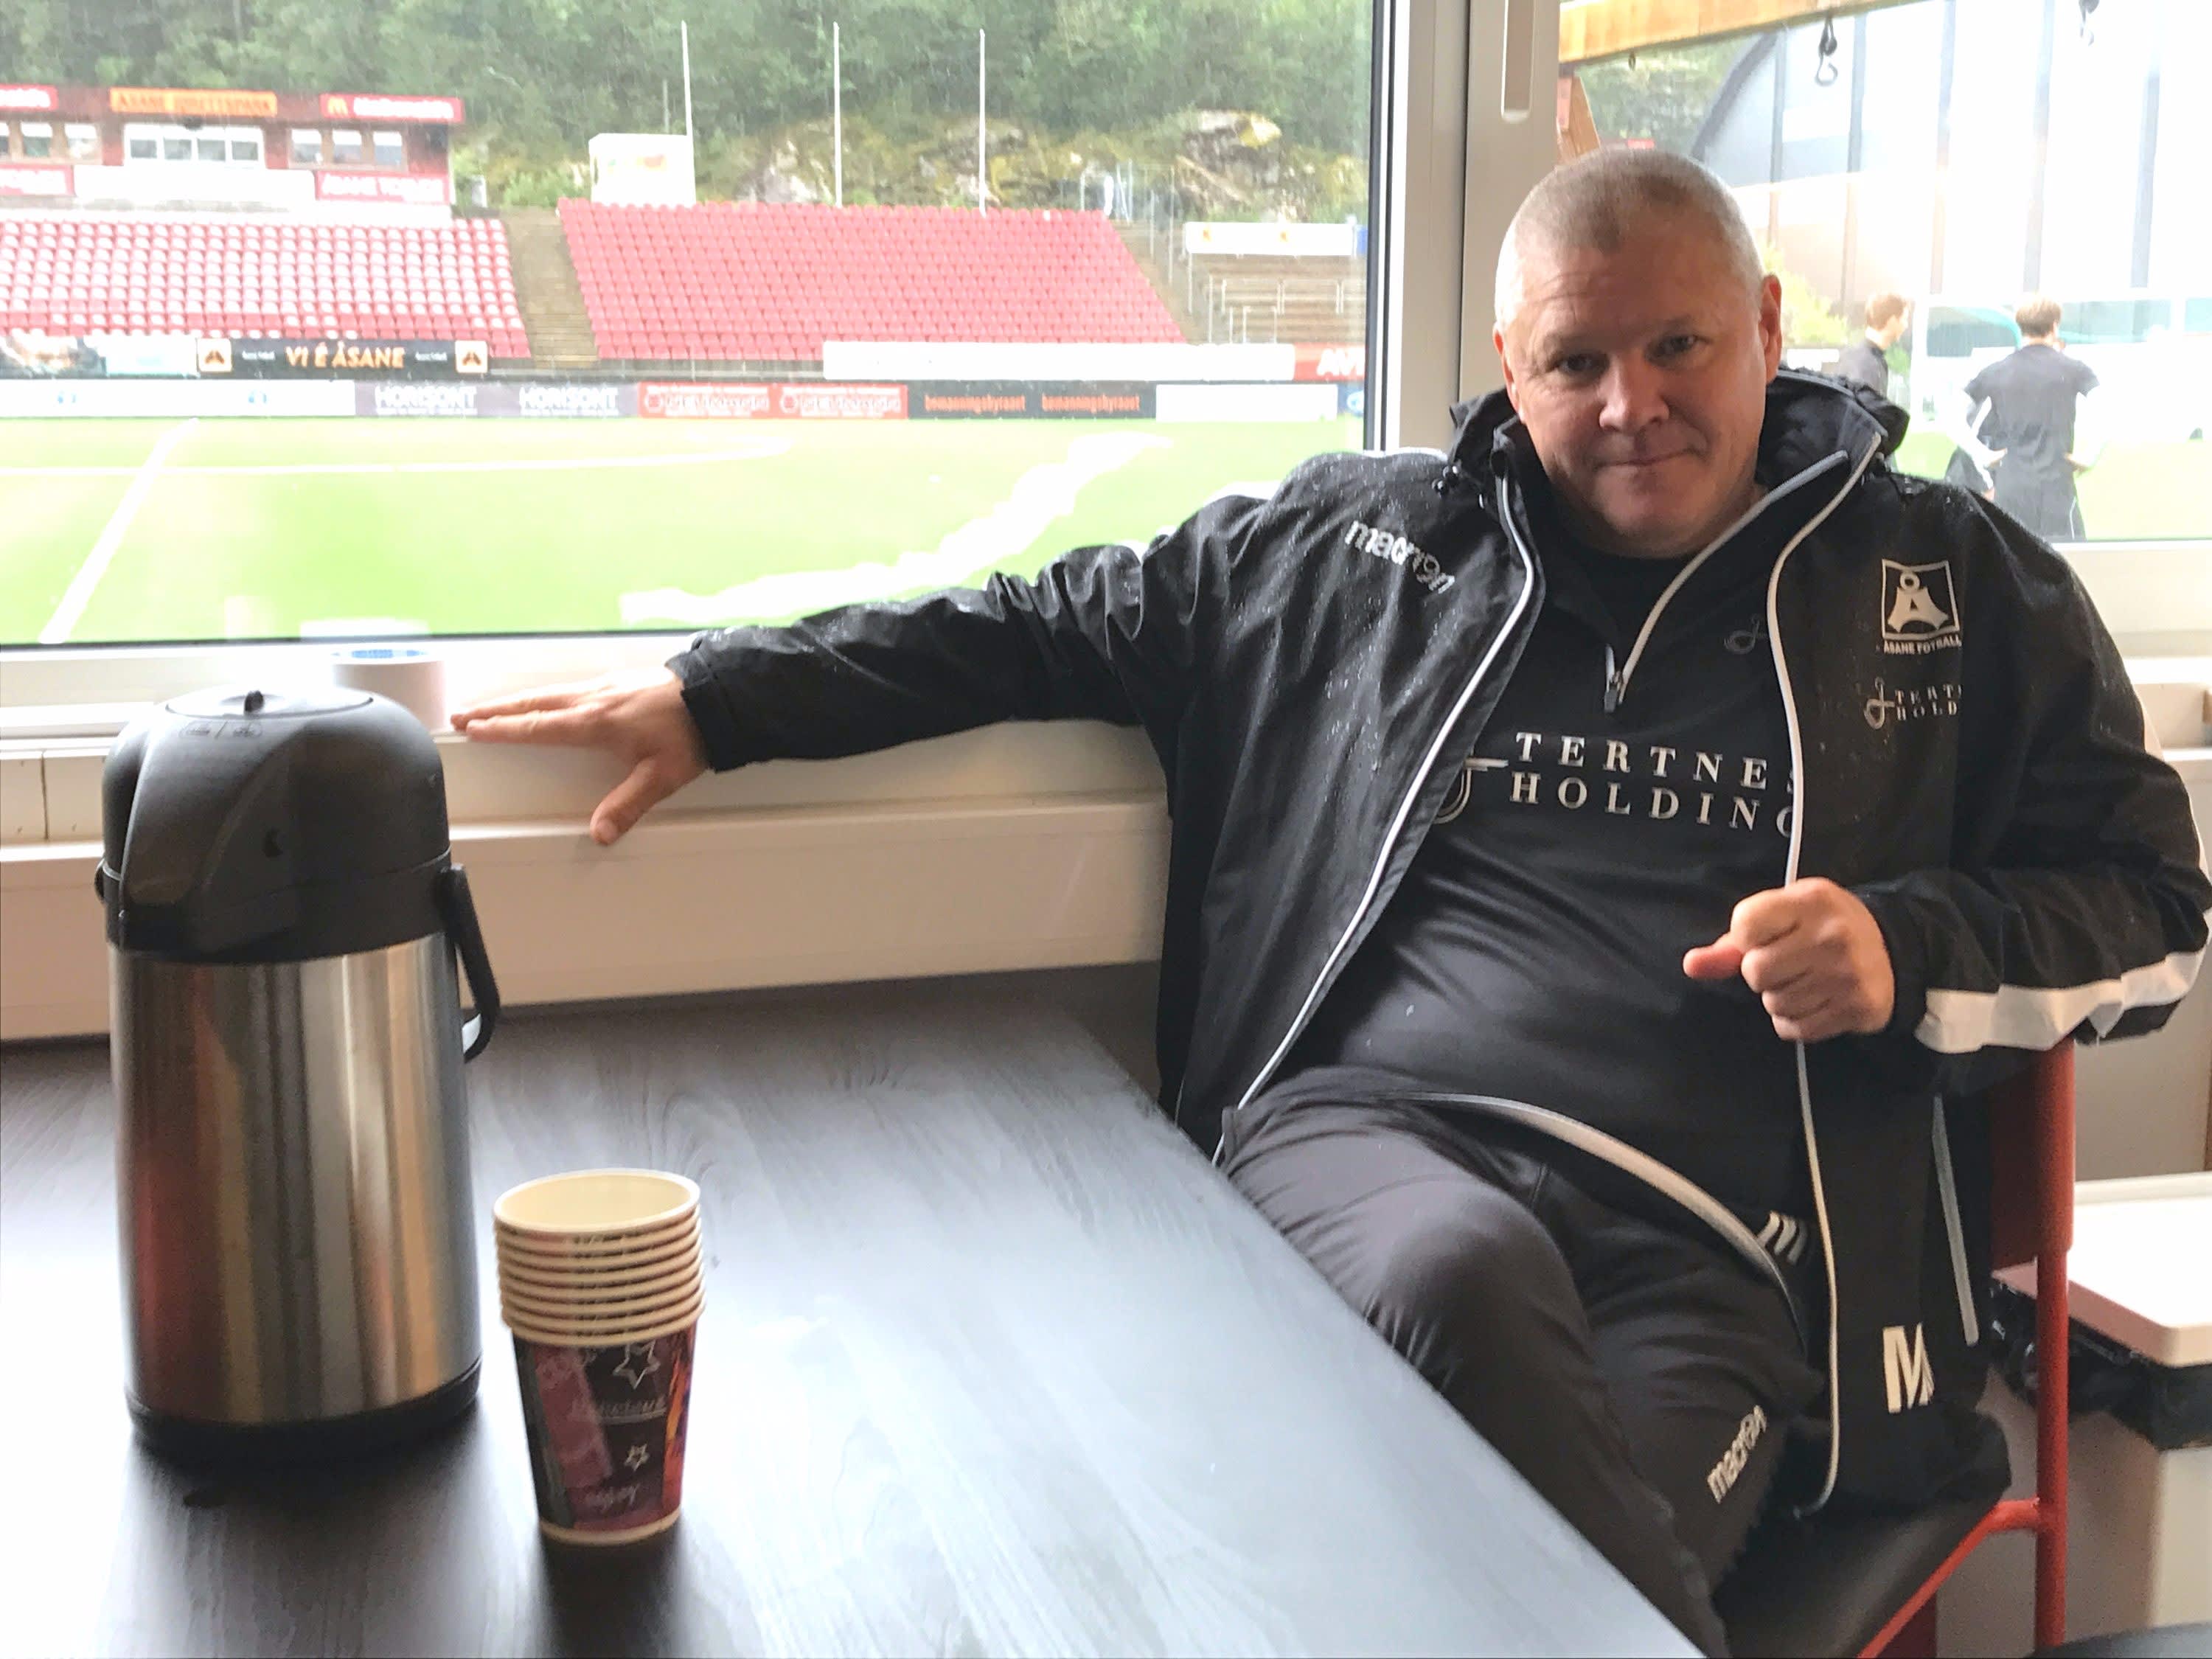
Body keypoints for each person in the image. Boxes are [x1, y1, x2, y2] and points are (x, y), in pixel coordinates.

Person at [453, 150, 2208, 1655]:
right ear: (1509, 368)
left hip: (1724, 1264)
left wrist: (1907, 949)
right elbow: (1044, 623)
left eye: (1676, 344)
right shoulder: (1363, 550)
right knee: (1463, 1282)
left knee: (1516, 1591)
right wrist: (722, 700)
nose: (1629, 405)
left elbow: (2154, 911)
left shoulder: (1949, 580)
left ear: (1762, 325)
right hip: (1374, 1148)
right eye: (1575, 360)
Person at [1958, 292, 2101, 539]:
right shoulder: (2074, 370)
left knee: (2012, 557)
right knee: (2065, 558)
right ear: (2055, 326)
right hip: (2056, 488)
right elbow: (2107, 410)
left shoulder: (1997, 371)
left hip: (2011, 488)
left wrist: (1983, 454)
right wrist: (2091, 456)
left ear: (2020, 325)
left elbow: (1951, 418)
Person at [1834, 291, 1908, 397]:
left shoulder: (1853, 357)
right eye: (1904, 319)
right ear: (1892, 320)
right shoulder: (1869, 364)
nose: (1906, 325)